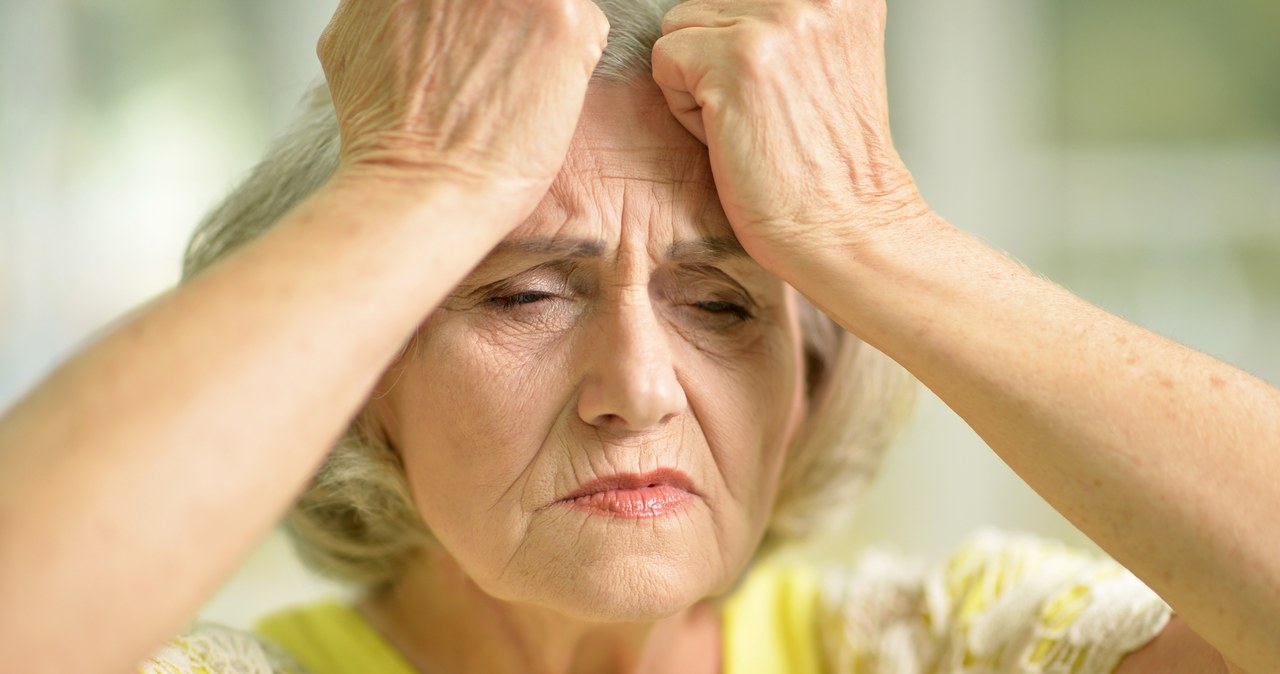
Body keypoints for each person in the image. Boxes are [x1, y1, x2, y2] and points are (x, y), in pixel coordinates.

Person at [0, 0, 1275, 672]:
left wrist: (868, 224)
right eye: (520, 294)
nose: (636, 388)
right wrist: (418, 182)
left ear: (807, 386)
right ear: (362, 376)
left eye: (722, 303)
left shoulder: (940, 647)